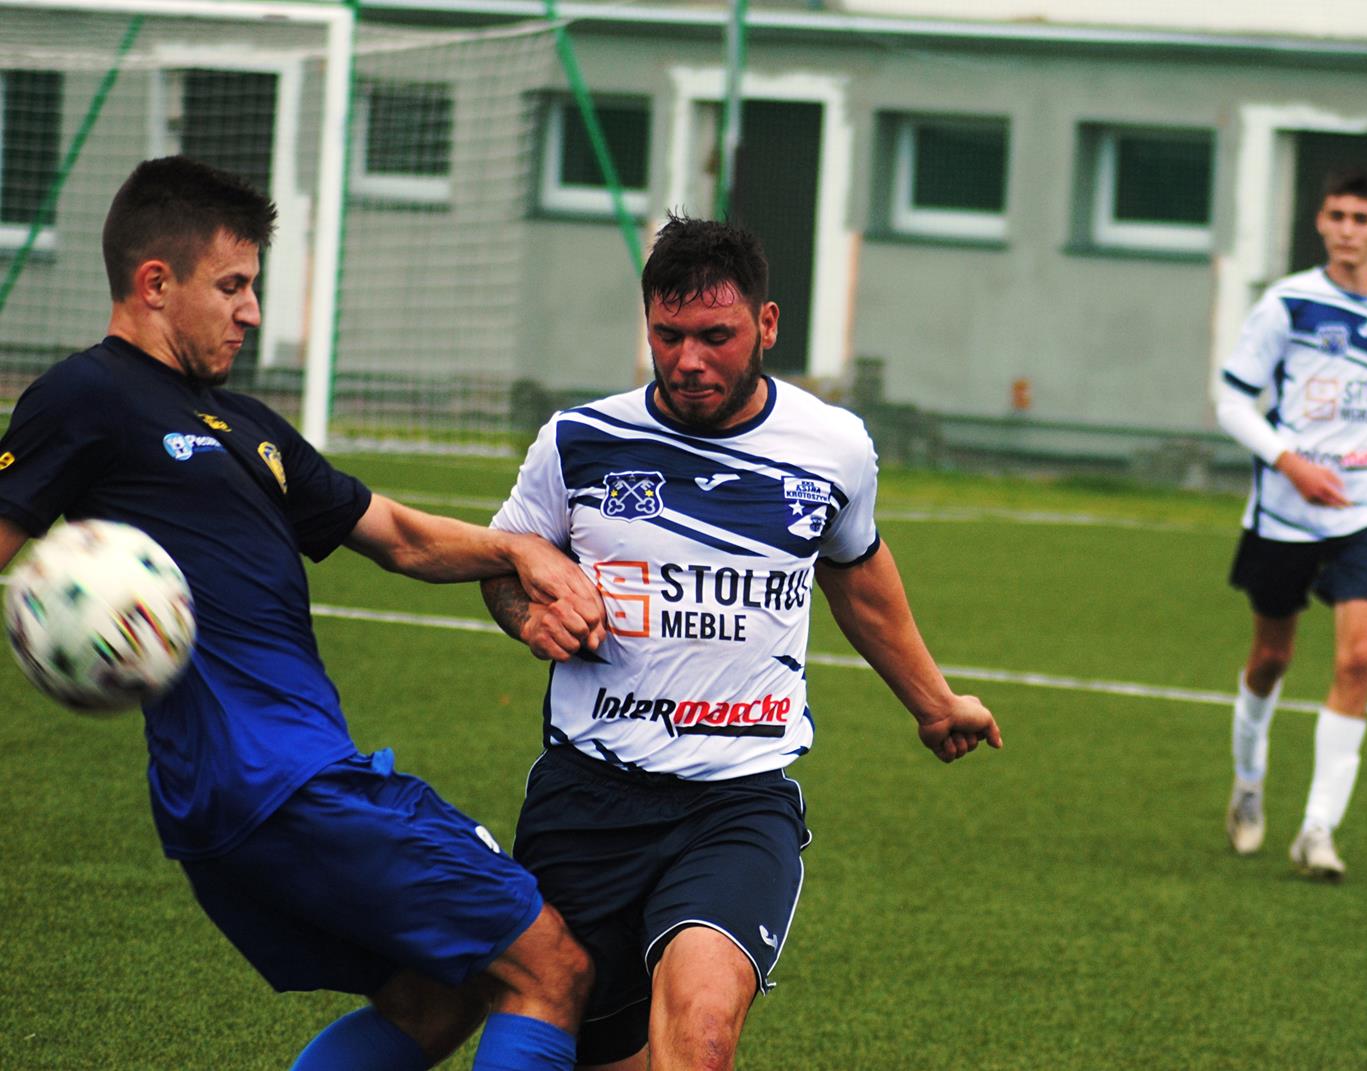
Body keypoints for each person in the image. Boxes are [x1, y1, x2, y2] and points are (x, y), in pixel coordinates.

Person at [0, 156, 607, 1070]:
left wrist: (515, 548)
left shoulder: (246, 426)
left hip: (260, 788)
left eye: (255, 286)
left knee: (436, 994)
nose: (251, 310)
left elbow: (396, 535)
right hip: (277, 780)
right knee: (547, 967)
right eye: (233, 285)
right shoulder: (86, 395)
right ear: (155, 285)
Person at [480, 214, 1003, 1070]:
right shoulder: (577, 442)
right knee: (596, 1051)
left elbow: (858, 573)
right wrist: (526, 611)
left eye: (716, 336)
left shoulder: (833, 449)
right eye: (669, 334)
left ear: (765, 325)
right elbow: (504, 563)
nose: (689, 360)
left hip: (736, 803)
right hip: (589, 798)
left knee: (702, 1036)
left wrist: (934, 701)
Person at [1216, 169, 1367, 882]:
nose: (1348, 228)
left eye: (1362, 217)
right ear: (1320, 222)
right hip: (1286, 508)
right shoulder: (1287, 303)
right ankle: (1249, 782)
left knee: (1358, 659)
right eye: (1337, 215)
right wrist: (1289, 461)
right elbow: (1231, 403)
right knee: (1271, 658)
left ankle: (1317, 829)